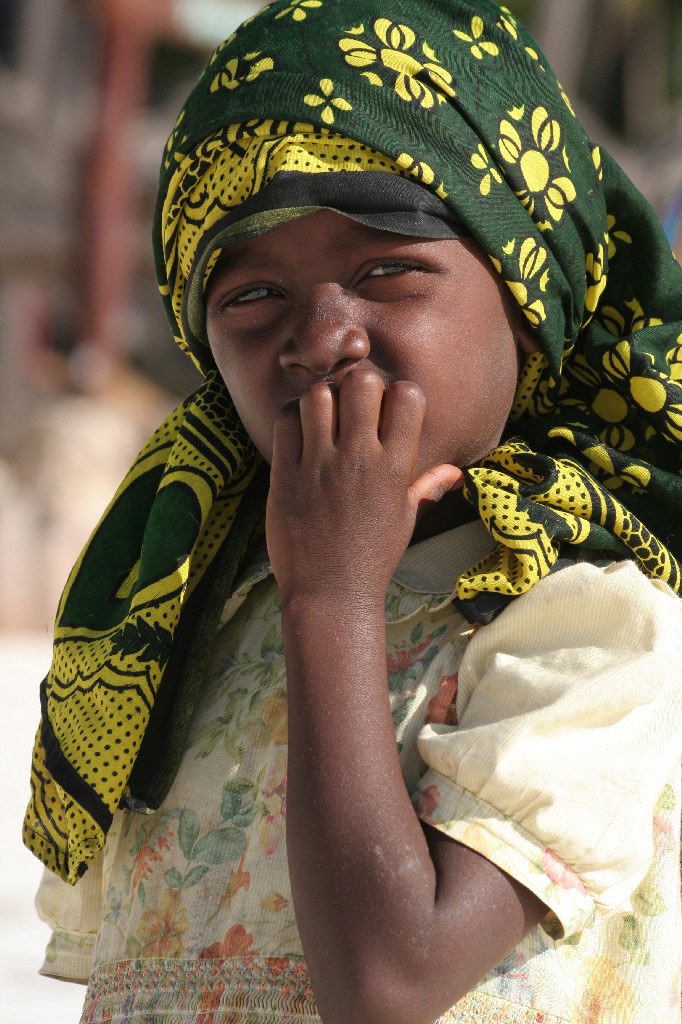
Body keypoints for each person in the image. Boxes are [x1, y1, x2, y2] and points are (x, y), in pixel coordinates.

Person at [24, 2, 682, 1022]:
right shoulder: (182, 612)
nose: (323, 336)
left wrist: (331, 594)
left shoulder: (590, 624)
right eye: (251, 299)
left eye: (387, 271)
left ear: (525, 295)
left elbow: (388, 981)